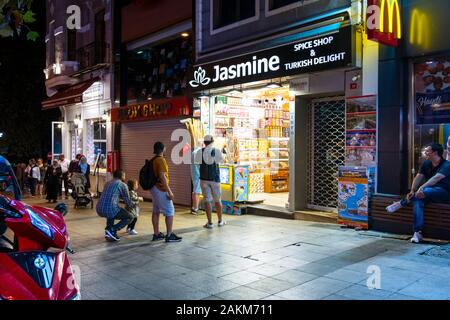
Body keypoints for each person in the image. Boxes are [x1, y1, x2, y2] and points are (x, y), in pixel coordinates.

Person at [406, 143, 450, 243]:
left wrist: (421, 188)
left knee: (424, 192)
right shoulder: (426, 163)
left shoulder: (447, 165)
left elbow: (436, 179)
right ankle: (417, 232)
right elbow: (418, 177)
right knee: (418, 199)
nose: (425, 153)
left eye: (427, 151)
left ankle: (403, 202)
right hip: (427, 193)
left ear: (435, 153)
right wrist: (412, 190)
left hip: (444, 193)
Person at [150, 142, 182, 243]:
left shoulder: (153, 160)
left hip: (154, 188)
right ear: (162, 149)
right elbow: (162, 177)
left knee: (156, 211)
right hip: (161, 189)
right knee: (170, 211)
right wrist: (169, 191)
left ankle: (156, 234)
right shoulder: (161, 160)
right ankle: (169, 235)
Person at [195, 135, 226, 229]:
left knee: (207, 200)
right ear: (212, 142)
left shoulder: (200, 151)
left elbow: (197, 162)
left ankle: (210, 223)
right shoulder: (216, 151)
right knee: (217, 200)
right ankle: (220, 221)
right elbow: (221, 161)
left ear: (204, 142)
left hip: (204, 179)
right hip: (215, 179)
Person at [96, 170, 135, 242]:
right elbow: (127, 201)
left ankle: (108, 233)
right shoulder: (122, 185)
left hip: (99, 208)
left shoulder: (107, 183)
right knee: (130, 217)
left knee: (111, 211)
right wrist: (133, 206)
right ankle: (112, 229)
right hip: (110, 209)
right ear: (122, 176)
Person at [191, 140, 203, 215]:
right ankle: (196, 208)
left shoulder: (194, 152)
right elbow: (200, 164)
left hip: (194, 173)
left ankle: (194, 207)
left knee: (195, 190)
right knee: (197, 191)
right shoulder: (199, 152)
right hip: (198, 174)